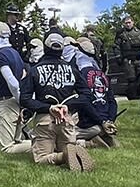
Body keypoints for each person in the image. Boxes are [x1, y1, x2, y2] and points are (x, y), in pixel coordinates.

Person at [19, 33, 95, 171]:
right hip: (67, 120)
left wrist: (49, 108)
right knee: (67, 145)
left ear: (46, 48)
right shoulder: (73, 69)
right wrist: (67, 106)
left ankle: (63, 156)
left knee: (41, 158)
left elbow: (25, 99)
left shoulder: (34, 70)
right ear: (61, 50)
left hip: (45, 120)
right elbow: (87, 95)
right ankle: (73, 151)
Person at [0, 21, 32, 154]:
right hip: (16, 101)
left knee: (6, 148)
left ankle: (44, 144)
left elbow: (12, 82)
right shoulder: (15, 53)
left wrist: (21, 98)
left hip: (8, 101)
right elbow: (23, 76)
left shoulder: (0, 56)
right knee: (17, 141)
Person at [72, 38, 120, 148]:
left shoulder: (78, 75)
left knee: (59, 137)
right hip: (104, 122)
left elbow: (85, 104)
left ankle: (88, 143)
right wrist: (109, 121)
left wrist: (102, 122)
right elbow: (112, 101)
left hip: (89, 125)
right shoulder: (103, 75)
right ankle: (104, 136)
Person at [115, 15, 140, 97]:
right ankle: (132, 96)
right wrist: (118, 57)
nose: (128, 24)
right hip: (128, 60)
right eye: (126, 23)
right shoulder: (121, 34)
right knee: (131, 79)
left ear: (133, 22)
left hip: (139, 59)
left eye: (129, 22)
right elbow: (116, 46)